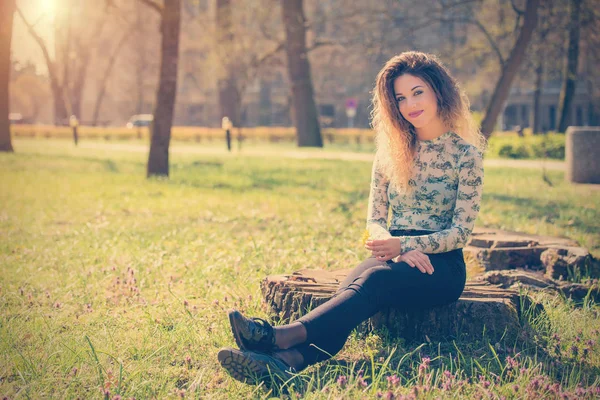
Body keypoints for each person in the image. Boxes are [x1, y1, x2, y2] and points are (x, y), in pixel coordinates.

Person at [217, 51, 486, 386]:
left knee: (374, 282)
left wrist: (405, 244)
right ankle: (284, 363)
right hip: (394, 255)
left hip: (440, 268)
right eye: (400, 98)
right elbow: (374, 220)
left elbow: (461, 232)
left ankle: (278, 336)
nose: (410, 104)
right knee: (350, 293)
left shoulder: (466, 156)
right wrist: (397, 249)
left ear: (438, 92)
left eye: (418, 92)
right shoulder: (390, 153)